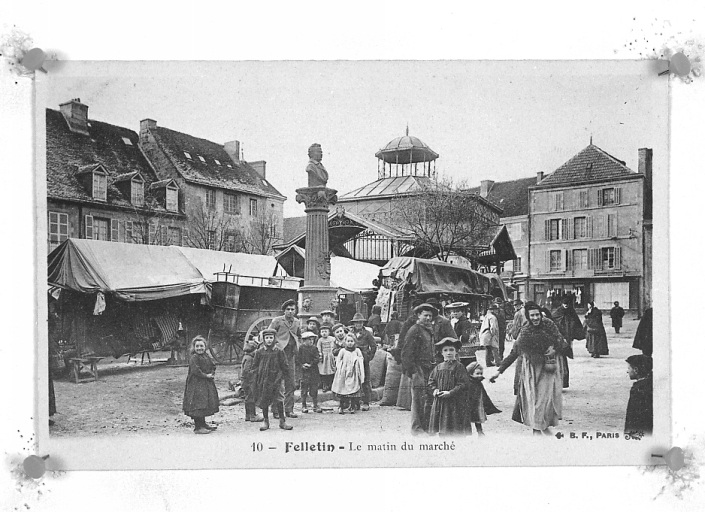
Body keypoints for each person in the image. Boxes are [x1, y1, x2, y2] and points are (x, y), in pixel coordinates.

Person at [489, 302, 566, 435]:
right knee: (533, 400)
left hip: (547, 370)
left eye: (537, 315)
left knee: (543, 401)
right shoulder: (525, 331)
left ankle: (538, 429)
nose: (535, 318)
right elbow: (514, 352)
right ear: (528, 317)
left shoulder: (549, 325)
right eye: (532, 316)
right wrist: (499, 371)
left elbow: (561, 341)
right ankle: (540, 428)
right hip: (531, 370)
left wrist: (555, 349)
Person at [401, 303, 437, 434]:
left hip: (429, 369)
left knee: (429, 398)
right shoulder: (414, 330)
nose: (428, 318)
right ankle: (417, 429)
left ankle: (427, 427)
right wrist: (413, 372)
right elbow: (406, 353)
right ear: (418, 315)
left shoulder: (429, 330)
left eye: (430, 316)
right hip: (418, 369)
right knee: (418, 399)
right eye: (425, 315)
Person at [252, 328, 293, 431]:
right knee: (264, 400)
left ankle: (282, 421)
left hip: (277, 380)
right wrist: (256, 378)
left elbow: (285, 366)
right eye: (267, 338)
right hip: (264, 380)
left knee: (279, 400)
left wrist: (284, 377)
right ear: (263, 339)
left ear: (274, 338)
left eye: (271, 338)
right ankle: (266, 421)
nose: (269, 340)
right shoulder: (259, 352)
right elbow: (254, 366)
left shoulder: (279, 351)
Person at [428, 337, 469, 436]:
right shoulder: (438, 367)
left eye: (451, 350)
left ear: (456, 352)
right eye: (445, 350)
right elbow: (431, 381)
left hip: (455, 401)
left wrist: (450, 393)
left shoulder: (459, 367)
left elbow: (463, 384)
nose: (448, 353)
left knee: (455, 427)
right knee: (442, 426)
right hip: (441, 401)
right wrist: (435, 390)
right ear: (441, 353)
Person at [268, 299, 301, 418]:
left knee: (291, 383)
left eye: (293, 309)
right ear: (284, 311)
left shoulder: (297, 322)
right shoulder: (277, 321)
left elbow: (299, 335)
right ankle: (276, 410)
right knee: (277, 383)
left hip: (290, 355)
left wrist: (298, 346)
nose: (290, 312)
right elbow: (268, 333)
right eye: (288, 309)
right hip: (278, 356)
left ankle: (289, 410)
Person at [182, 336, 220, 434]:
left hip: (205, 383)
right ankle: (198, 427)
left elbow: (213, 365)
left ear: (205, 346)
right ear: (193, 347)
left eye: (201, 346)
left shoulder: (206, 356)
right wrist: (206, 376)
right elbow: (196, 371)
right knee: (197, 404)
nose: (199, 348)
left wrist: (212, 373)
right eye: (197, 346)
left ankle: (203, 424)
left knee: (204, 403)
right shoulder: (194, 357)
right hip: (196, 384)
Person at [551, 295, 583, 388]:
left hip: (567, 337)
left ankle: (562, 383)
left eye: (567, 304)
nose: (566, 306)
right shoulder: (557, 312)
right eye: (564, 304)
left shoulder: (571, 312)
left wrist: (574, 335)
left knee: (563, 359)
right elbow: (553, 323)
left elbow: (577, 324)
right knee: (559, 360)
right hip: (558, 339)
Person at [332, 333, 365, 414]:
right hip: (344, 373)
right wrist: (340, 367)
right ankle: (341, 406)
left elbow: (361, 358)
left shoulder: (357, 351)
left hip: (354, 372)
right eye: (348, 341)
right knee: (342, 389)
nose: (350, 343)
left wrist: (357, 360)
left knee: (353, 390)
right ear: (345, 342)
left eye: (352, 341)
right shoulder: (343, 351)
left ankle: (352, 406)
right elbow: (338, 360)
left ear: (354, 342)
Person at [464, 361, 501, 435]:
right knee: (466, 418)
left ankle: (480, 432)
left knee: (478, 418)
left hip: (477, 404)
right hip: (468, 403)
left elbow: (483, 394)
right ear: (470, 373)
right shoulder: (467, 383)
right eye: (477, 374)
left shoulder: (478, 382)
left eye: (481, 373)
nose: (479, 375)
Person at [350, 312, 377, 411]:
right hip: (353, 358)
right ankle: (355, 402)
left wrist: (369, 356)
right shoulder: (350, 333)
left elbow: (374, 346)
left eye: (360, 323)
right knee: (354, 379)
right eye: (356, 323)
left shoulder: (367, 333)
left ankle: (366, 402)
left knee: (365, 380)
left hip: (364, 359)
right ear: (354, 324)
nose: (358, 325)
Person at [624, 354, 653, 435]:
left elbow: (632, 417)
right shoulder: (651, 383)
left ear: (636, 370)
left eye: (629, 368)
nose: (627, 371)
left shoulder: (637, 389)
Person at [299, 331, 322, 413]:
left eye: (312, 339)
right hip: (304, 372)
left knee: (314, 389)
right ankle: (303, 405)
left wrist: (311, 364)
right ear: (304, 340)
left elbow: (317, 358)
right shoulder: (301, 348)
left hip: (313, 371)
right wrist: (302, 365)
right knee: (304, 389)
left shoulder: (314, 348)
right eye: (308, 339)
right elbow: (298, 359)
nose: (311, 341)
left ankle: (315, 405)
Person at [241, 341, 263, 422]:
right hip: (249, 381)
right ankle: (253, 415)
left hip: (246, 381)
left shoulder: (246, 357)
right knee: (251, 398)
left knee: (248, 398)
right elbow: (247, 371)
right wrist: (256, 370)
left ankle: (247, 415)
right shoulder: (249, 359)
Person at [317, 323, 336, 392]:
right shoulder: (320, 340)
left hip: (330, 356)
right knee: (323, 371)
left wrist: (332, 354)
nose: (324, 333)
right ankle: (325, 385)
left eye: (325, 331)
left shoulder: (332, 339)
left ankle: (331, 385)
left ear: (329, 332)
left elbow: (333, 346)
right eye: (322, 332)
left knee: (331, 370)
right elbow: (318, 348)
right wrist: (320, 354)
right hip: (323, 357)